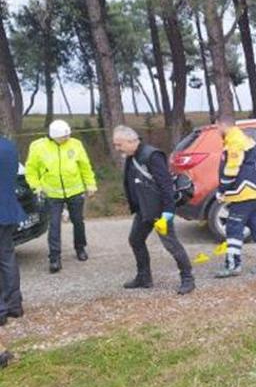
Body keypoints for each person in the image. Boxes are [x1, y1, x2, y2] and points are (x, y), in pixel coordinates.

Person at [112, 125, 195, 295]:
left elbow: (166, 186)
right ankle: (144, 277)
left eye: (119, 144)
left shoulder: (152, 155)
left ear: (131, 141)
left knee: (171, 245)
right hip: (144, 209)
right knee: (135, 240)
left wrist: (168, 213)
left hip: (159, 211)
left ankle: (188, 279)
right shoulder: (132, 155)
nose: (117, 148)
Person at [25, 120, 97, 273]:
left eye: (68, 134)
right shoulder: (38, 147)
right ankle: (54, 258)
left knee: (78, 222)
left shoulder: (75, 144)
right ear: (53, 136)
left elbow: (85, 165)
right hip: (52, 194)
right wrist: (36, 187)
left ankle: (80, 248)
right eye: (64, 136)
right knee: (54, 226)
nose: (67, 138)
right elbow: (31, 171)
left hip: (75, 191)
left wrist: (90, 184)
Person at [213, 115, 256, 278]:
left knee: (234, 228)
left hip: (243, 193)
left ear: (222, 125)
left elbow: (231, 169)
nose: (217, 130)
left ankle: (233, 265)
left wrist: (222, 190)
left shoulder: (235, 142)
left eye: (217, 127)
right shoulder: (244, 138)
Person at [0, 135, 25, 324]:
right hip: (8, 209)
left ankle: (1, 310)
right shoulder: (9, 146)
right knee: (7, 258)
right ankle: (14, 305)